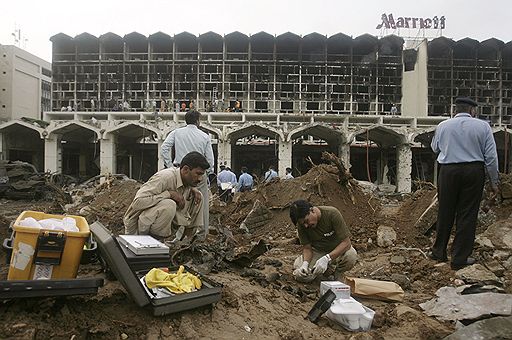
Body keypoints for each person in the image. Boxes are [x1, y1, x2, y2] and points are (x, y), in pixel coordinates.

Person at [429, 97, 500, 270]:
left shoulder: (443, 126)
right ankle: (459, 258)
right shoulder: (483, 127)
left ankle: (439, 252)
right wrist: (494, 182)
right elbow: (491, 157)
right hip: (473, 171)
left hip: (448, 171)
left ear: (456, 110)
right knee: (467, 214)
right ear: (472, 111)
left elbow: (434, 148)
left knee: (445, 210)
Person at [123, 152, 209, 240]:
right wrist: (169, 194)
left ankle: (185, 242)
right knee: (169, 204)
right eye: (198, 174)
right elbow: (137, 203)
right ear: (186, 169)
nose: (200, 179)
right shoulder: (165, 178)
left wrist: (192, 189)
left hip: (165, 229)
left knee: (198, 197)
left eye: (202, 175)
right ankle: (156, 244)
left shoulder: (188, 183)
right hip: (137, 230)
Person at [160, 110, 215, 241]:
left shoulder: (176, 132)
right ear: (197, 121)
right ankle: (201, 234)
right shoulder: (204, 136)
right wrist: (206, 172)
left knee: (181, 202)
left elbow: (165, 148)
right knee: (202, 203)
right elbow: (210, 159)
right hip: (198, 173)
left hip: (181, 171)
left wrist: (170, 166)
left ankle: (179, 236)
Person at [289, 200, 358, 282]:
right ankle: (325, 273)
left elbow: (346, 243)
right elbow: (307, 248)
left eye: (306, 221)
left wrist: (327, 258)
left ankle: (337, 273)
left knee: (351, 256)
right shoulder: (303, 226)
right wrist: (305, 264)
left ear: (312, 210)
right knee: (301, 275)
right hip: (318, 251)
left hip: (337, 250)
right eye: (303, 224)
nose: (306, 225)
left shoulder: (332, 214)